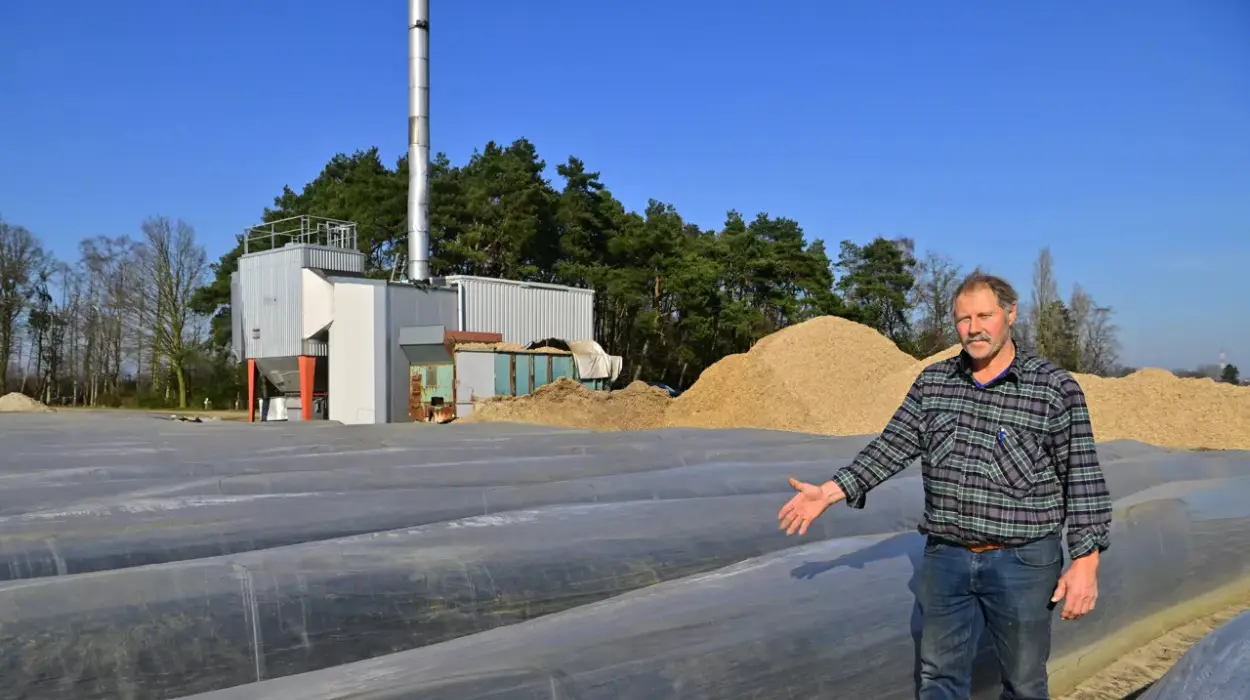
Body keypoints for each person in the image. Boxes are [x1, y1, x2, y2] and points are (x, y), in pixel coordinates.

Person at [777, 271, 1112, 700]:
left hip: (1023, 562)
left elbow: (1082, 477)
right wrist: (829, 491)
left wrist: (1086, 561)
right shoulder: (934, 383)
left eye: (984, 315)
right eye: (963, 318)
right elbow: (892, 446)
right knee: (939, 678)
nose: (973, 328)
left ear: (1010, 314)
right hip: (947, 557)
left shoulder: (1053, 389)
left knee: (1024, 682)